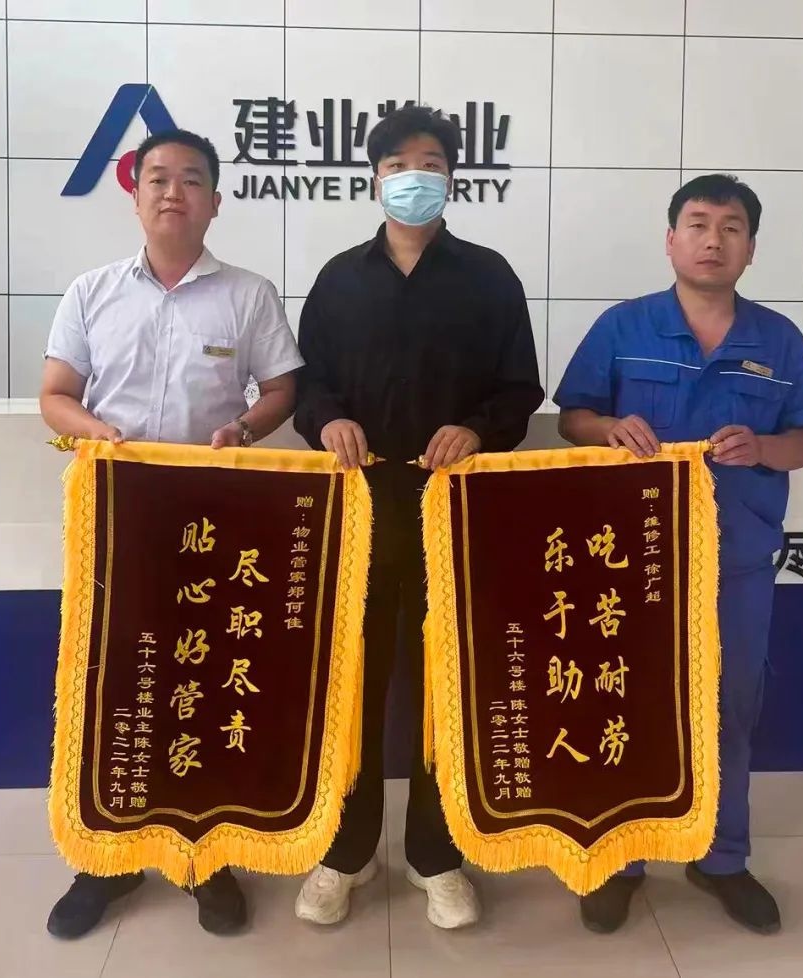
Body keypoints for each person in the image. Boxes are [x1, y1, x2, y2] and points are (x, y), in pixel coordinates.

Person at [40, 128, 303, 938]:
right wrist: (93, 431)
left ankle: (204, 856)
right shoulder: (92, 291)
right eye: (157, 178)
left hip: (214, 522)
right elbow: (55, 393)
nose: (172, 192)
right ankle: (105, 859)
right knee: (112, 680)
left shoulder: (248, 294)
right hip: (117, 515)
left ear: (214, 201)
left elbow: (283, 388)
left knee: (204, 678)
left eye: (191, 179)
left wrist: (246, 429)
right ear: (135, 195)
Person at [554, 174, 803, 936]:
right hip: (629, 562)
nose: (714, 240)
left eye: (731, 227)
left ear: (751, 247)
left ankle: (722, 858)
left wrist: (764, 447)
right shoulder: (624, 327)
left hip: (736, 558)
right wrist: (607, 430)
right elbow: (572, 416)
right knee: (626, 702)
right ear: (671, 239)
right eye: (699, 224)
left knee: (729, 709)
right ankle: (621, 859)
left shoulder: (776, 340)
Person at [292, 105, 544, 930]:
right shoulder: (339, 279)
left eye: (430, 162)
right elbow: (308, 383)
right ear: (374, 177)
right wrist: (328, 418)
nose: (414, 177)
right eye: (398, 163)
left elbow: (520, 388)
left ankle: (438, 856)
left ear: (452, 178)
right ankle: (346, 852)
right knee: (352, 685)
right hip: (361, 514)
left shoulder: (489, 277)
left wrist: (478, 430)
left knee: (445, 688)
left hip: (452, 515)